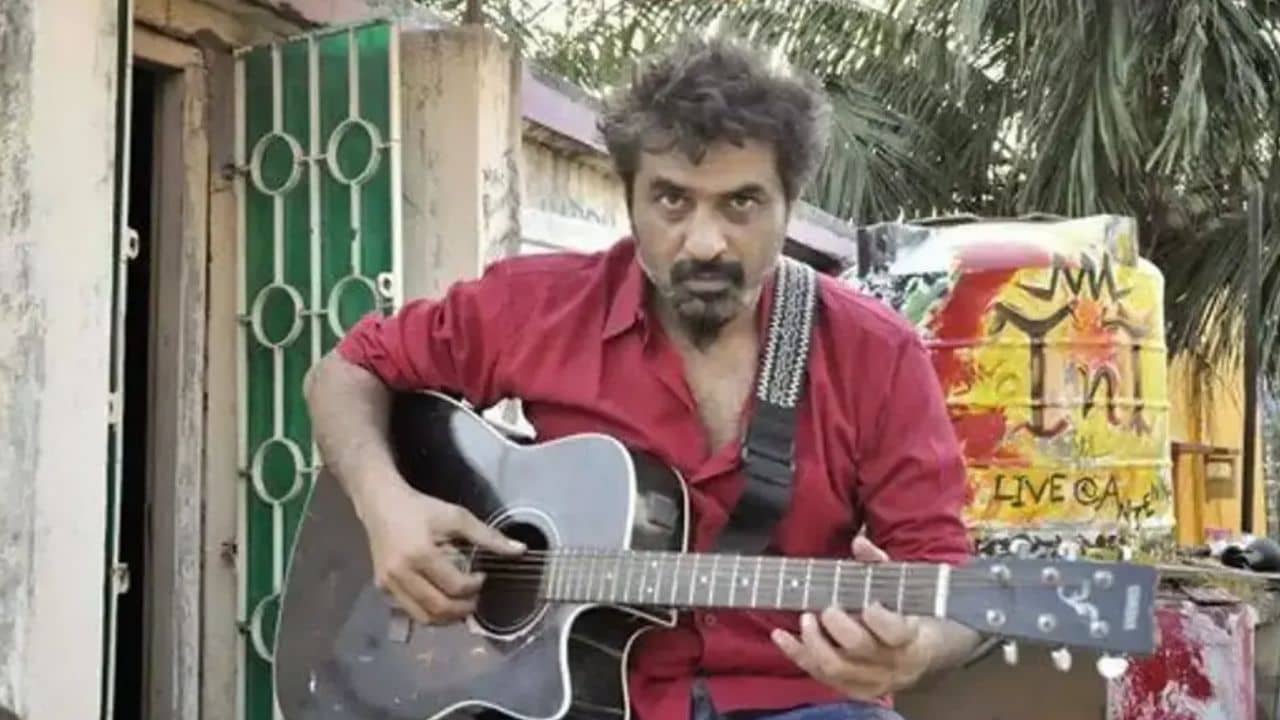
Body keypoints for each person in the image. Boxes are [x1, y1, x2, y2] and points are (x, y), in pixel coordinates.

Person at [303, 34, 980, 720]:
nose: (706, 243)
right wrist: (386, 507)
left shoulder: (876, 353)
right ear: (628, 198)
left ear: (790, 205)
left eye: (741, 203)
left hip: (802, 702)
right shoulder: (533, 306)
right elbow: (345, 373)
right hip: (564, 701)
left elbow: (952, 583)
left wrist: (918, 648)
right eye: (672, 201)